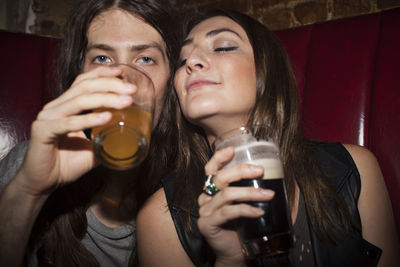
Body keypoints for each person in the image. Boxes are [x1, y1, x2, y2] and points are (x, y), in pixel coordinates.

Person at [137, 8, 400, 267]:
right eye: (182, 60)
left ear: (266, 70)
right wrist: (230, 260)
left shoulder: (355, 168)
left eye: (223, 47)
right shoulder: (160, 219)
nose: (192, 62)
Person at [0, 0, 181, 266]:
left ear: (172, 78)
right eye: (102, 58)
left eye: (145, 59)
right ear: (79, 75)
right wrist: (29, 190)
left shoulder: (193, 185)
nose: (124, 79)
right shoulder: (31, 162)